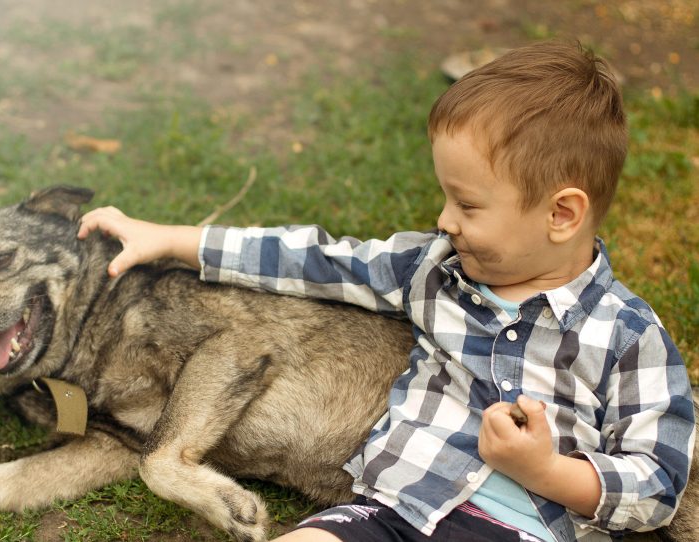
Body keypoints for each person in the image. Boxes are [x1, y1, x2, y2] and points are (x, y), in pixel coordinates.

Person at [77, 41, 694, 542]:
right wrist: (171, 238)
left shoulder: (630, 337)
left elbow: (657, 486)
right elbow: (309, 259)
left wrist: (548, 471)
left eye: (468, 204)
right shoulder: (431, 268)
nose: (445, 220)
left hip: (524, 530)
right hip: (391, 512)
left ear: (562, 215)